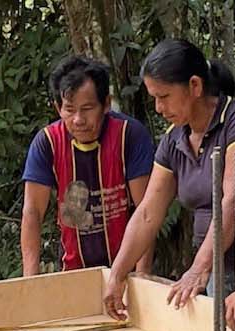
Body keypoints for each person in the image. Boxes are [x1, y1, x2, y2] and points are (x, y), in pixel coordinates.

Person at [102, 38, 235, 321]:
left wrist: (199, 267)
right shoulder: (174, 139)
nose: (158, 107)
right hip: (219, 274)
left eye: (164, 96)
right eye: (154, 98)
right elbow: (148, 212)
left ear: (195, 86)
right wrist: (117, 273)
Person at [21, 55, 155, 275]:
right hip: (73, 271)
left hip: (126, 269)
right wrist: (29, 282)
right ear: (58, 108)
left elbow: (146, 210)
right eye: (70, 110)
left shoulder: (129, 135)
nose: (78, 120)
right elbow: (33, 211)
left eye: (87, 108)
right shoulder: (47, 142)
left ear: (106, 104)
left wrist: (142, 277)